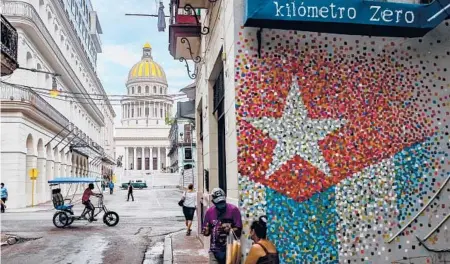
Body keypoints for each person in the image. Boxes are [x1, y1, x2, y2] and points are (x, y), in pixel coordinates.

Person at [202, 188, 242, 264]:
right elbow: (206, 232)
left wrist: (229, 230)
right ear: (213, 201)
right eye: (218, 202)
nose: (221, 204)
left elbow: (239, 230)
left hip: (230, 249)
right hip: (214, 250)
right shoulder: (209, 212)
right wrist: (206, 231)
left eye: (222, 201)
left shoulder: (233, 210)